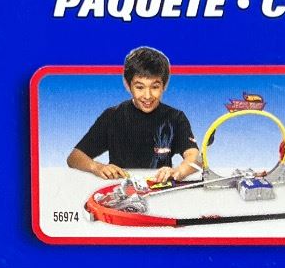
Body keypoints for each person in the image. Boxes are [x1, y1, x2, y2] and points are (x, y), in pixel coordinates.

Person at [66, 46, 200, 186]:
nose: (147, 96)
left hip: (159, 188)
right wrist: (97, 167)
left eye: (155, 87)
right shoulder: (112, 116)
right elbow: (74, 157)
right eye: (140, 87)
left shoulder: (175, 118)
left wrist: (178, 171)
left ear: (164, 85)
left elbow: (195, 157)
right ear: (127, 84)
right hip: (120, 187)